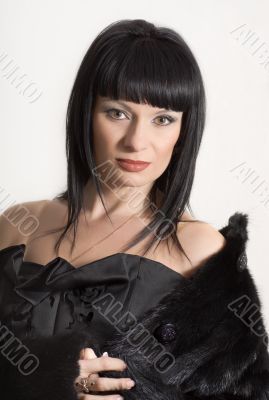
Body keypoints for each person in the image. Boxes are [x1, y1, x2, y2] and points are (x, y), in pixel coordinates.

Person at [0, 19, 268, 400]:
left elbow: (249, 393)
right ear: (86, 115)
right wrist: (45, 376)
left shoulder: (201, 250)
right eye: (117, 113)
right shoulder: (16, 228)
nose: (137, 141)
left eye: (163, 119)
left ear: (183, 132)